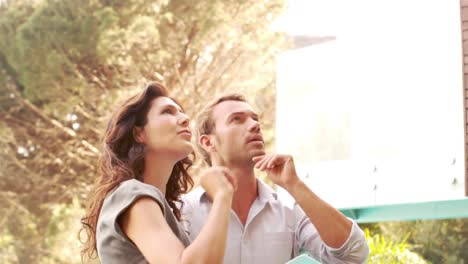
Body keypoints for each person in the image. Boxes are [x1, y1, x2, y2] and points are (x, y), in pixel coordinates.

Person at [181, 94, 370, 264]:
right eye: (237, 120)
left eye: (255, 119)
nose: (255, 125)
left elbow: (353, 254)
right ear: (208, 142)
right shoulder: (184, 212)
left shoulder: (289, 212)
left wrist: (294, 184)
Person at [80, 83, 236, 264]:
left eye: (181, 112)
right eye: (167, 112)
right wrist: (222, 195)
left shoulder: (159, 207)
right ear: (139, 134)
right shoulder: (131, 194)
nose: (185, 119)